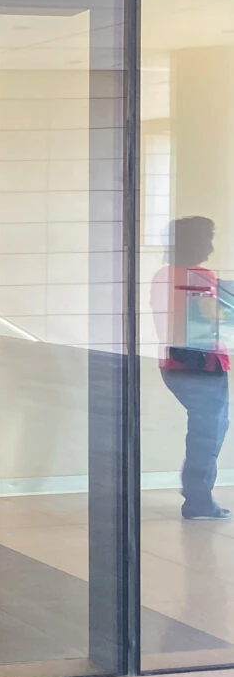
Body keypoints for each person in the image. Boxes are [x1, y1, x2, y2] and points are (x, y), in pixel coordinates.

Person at [152, 215, 233, 520]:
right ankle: (198, 499)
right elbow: (214, 318)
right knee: (208, 433)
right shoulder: (200, 277)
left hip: (172, 363)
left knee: (204, 429)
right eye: (207, 238)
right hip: (201, 365)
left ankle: (197, 495)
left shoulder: (163, 275)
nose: (211, 245)